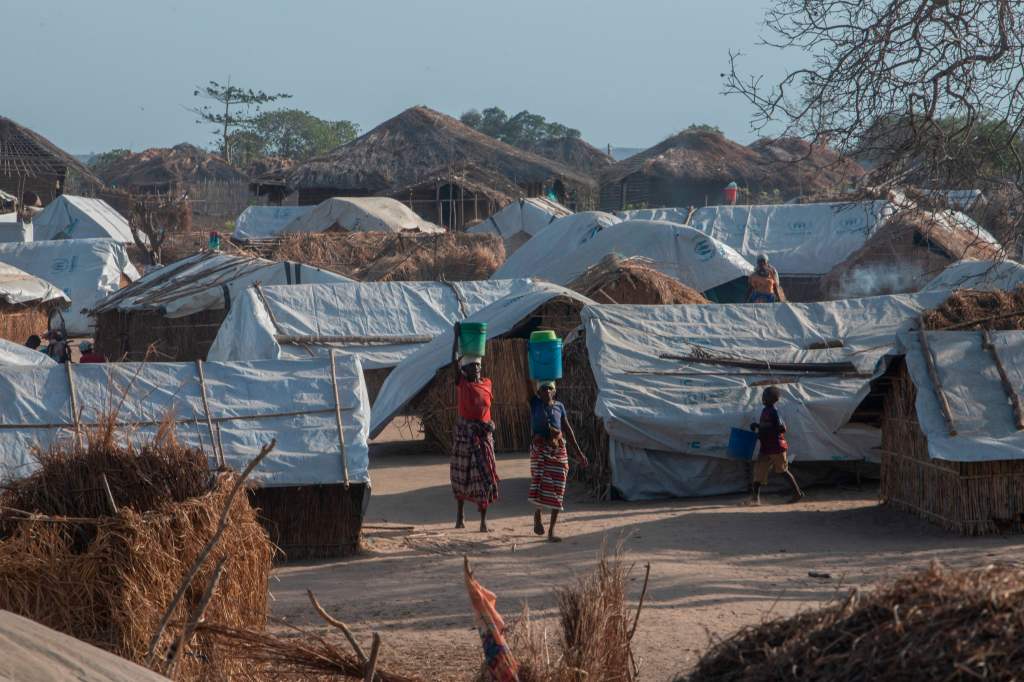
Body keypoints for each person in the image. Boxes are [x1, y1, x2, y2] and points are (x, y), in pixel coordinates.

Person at [449, 322, 499, 532]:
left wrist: (491, 424)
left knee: (485, 478)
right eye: (471, 366)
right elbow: (453, 362)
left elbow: (487, 410)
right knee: (462, 477)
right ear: (464, 369)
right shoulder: (463, 384)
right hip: (465, 435)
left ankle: (483, 521)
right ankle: (460, 516)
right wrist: (457, 337)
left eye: (478, 365)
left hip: (483, 436)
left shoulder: (487, 383)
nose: (476, 369)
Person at [528, 380, 588, 542]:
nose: (547, 390)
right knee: (540, 484)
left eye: (550, 388)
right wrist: (526, 357)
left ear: (554, 391)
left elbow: (568, 430)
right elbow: (526, 381)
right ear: (538, 392)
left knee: (559, 489)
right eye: (543, 388)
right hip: (539, 450)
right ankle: (538, 514)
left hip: (558, 451)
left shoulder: (559, 407)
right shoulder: (534, 403)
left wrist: (579, 453)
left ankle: (551, 531)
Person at [748, 386, 804, 505]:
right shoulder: (765, 411)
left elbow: (782, 428)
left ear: (772, 399)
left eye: (765, 396)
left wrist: (764, 430)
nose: (762, 398)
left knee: (783, 470)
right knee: (758, 472)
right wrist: (757, 426)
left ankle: (798, 493)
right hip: (766, 447)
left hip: (776, 447)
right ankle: (755, 499)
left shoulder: (774, 411)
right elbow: (767, 426)